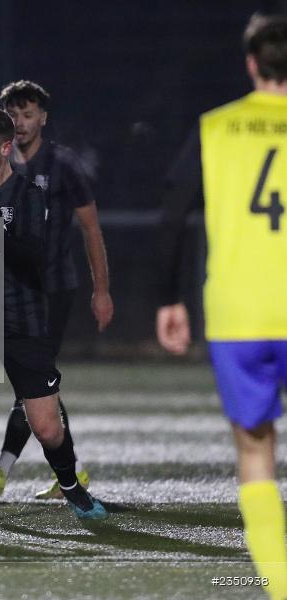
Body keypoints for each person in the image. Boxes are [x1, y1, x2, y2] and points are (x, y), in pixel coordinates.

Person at [156, 13, 287, 599]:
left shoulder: (216, 128)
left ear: (252, 64)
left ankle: (281, 585)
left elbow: (174, 213)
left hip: (239, 315)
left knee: (256, 451)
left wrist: (168, 298)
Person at [0, 106, 107, 521]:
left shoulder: (29, 196)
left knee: (47, 427)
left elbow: (33, 259)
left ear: (5, 148)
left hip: (23, 315)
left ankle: (71, 486)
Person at [0, 80, 113, 500]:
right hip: (8, 291)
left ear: (43, 117)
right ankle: (70, 472)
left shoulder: (62, 164)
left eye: (28, 114)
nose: (20, 123)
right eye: (13, 115)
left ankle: (1, 470)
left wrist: (102, 290)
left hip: (54, 289)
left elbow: (91, 229)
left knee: (33, 380)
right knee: (36, 383)